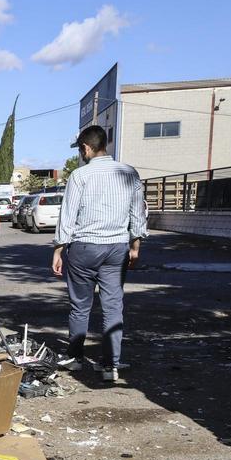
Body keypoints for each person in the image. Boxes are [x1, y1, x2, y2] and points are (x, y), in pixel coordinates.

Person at [51, 125, 147, 382]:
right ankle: (110, 365)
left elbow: (68, 217)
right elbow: (138, 214)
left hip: (84, 248)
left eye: (81, 150)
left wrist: (59, 249)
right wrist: (135, 246)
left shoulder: (80, 176)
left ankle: (75, 358)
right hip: (116, 247)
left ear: (86, 148)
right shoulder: (129, 173)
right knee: (113, 306)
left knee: (80, 306)